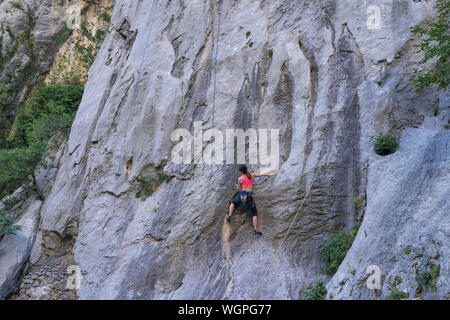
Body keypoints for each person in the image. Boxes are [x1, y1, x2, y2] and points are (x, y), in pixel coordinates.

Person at [225, 164, 271, 237]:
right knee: (254, 213)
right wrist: (270, 171)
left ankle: (229, 216)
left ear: (241, 171)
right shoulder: (252, 175)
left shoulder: (240, 178)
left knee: (233, 203)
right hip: (249, 196)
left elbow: (240, 189)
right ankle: (256, 231)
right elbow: (262, 174)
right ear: (246, 168)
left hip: (242, 195)